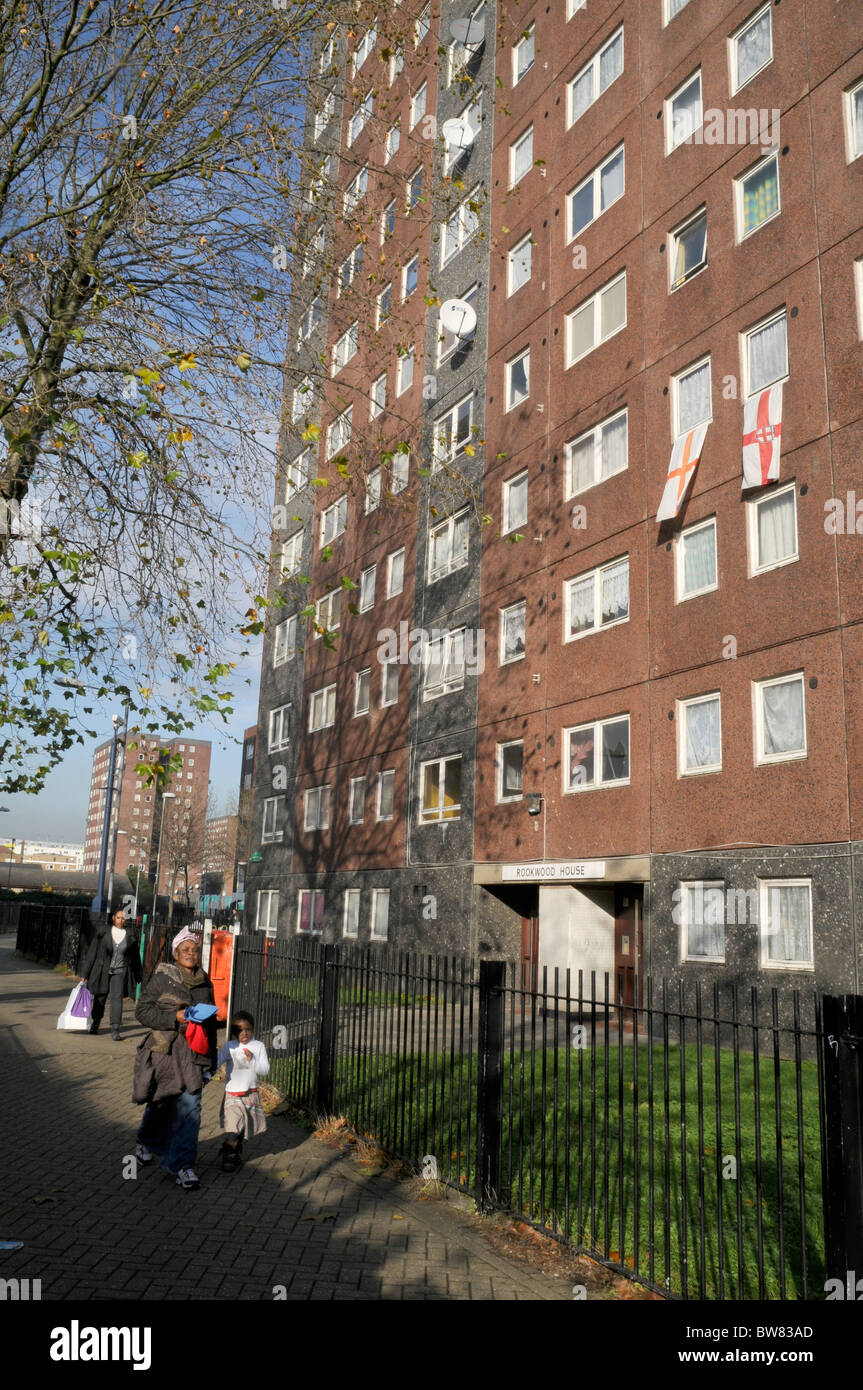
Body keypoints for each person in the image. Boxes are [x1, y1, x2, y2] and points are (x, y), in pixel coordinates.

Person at [132, 927, 217, 1190]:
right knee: (161, 1104)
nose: (190, 954)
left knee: (191, 1109)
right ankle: (146, 1141)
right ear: (176, 953)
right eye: (185, 950)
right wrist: (173, 1019)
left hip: (194, 1055)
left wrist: (210, 1062)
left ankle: (183, 1166)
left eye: (194, 950)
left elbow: (211, 1025)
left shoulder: (205, 983)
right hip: (165, 1055)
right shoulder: (162, 980)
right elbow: (142, 1012)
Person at [217, 1012, 269, 1171]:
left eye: (248, 1029)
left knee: (243, 1128)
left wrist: (252, 1060)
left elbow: (265, 1070)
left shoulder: (258, 1046)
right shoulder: (230, 1046)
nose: (244, 1033)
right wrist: (205, 1074)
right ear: (234, 1031)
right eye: (240, 1030)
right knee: (233, 1127)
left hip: (250, 1095)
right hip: (232, 1094)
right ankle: (229, 1156)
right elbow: (217, 1063)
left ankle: (236, 1151)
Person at [80, 908, 141, 1041]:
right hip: (102, 970)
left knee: (117, 999)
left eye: (123, 918)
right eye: (118, 917)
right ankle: (95, 1023)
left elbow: (135, 957)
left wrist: (138, 974)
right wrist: (85, 973)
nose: (121, 920)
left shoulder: (130, 935)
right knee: (100, 997)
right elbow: (92, 953)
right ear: (113, 918)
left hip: (120, 971)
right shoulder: (103, 932)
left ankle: (115, 1028)